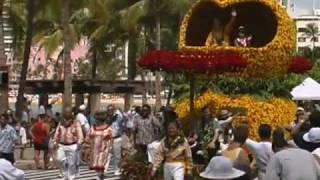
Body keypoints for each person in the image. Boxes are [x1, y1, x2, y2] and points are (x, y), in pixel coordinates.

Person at [54, 108, 83, 180]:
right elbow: (57, 132)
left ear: (71, 113)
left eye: (68, 112)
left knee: (71, 163)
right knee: (60, 159)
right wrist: (55, 141)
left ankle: (71, 176)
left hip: (72, 145)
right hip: (62, 144)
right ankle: (65, 173)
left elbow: (80, 133)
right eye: (65, 113)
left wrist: (79, 142)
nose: (66, 114)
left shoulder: (76, 122)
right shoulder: (61, 122)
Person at [83, 110, 113, 180]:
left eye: (97, 120)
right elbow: (88, 138)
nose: (96, 121)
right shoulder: (92, 128)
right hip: (94, 151)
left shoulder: (108, 129)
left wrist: (109, 150)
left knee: (101, 165)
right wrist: (86, 148)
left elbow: (110, 140)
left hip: (104, 151)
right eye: (96, 119)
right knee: (96, 165)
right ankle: (100, 175)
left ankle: (100, 176)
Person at [106, 104, 126, 175]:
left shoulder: (118, 117)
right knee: (106, 155)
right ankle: (104, 171)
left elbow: (124, 123)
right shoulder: (106, 118)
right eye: (108, 110)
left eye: (111, 110)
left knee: (117, 156)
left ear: (114, 110)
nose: (110, 111)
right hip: (107, 139)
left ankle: (117, 169)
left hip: (117, 138)